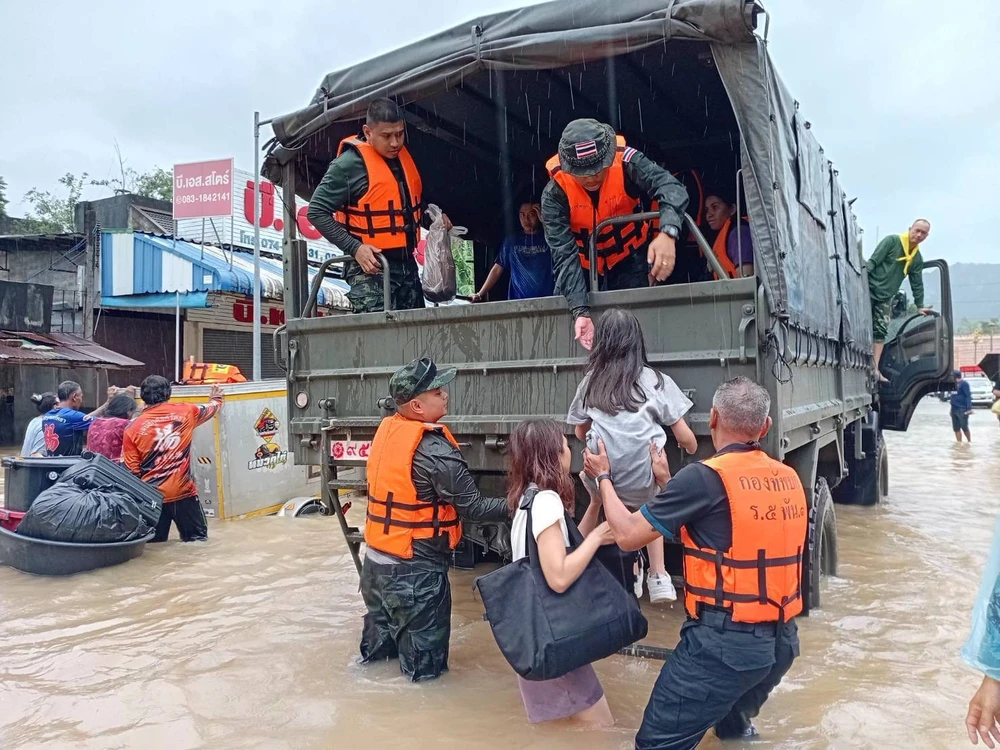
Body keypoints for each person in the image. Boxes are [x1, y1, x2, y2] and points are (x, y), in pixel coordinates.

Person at [584, 376, 806, 748]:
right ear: (765, 427)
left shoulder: (704, 478)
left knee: (655, 745)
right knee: (732, 733)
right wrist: (668, 483)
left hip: (722, 649)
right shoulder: (787, 477)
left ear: (713, 418)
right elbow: (723, 534)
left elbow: (626, 535)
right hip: (780, 645)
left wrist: (602, 476)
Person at [360, 357, 508, 682]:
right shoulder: (435, 452)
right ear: (416, 404)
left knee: (374, 662)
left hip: (374, 569)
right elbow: (476, 508)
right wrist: (526, 501)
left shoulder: (388, 432)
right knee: (424, 679)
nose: (445, 395)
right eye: (437, 390)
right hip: (416, 577)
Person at [567, 308, 697, 603]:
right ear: (637, 343)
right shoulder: (655, 380)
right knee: (652, 505)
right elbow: (685, 436)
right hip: (643, 481)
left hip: (602, 481)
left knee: (601, 467)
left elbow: (577, 433)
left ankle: (631, 566)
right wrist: (690, 449)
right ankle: (659, 574)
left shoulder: (590, 382)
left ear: (601, 344)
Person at [540, 119, 690, 349]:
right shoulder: (554, 193)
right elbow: (563, 252)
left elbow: (671, 187)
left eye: (598, 168)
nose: (591, 178)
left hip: (629, 259)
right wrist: (580, 310)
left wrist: (668, 232)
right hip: (581, 266)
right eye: (583, 173)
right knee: (570, 322)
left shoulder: (629, 162)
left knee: (636, 328)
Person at [506, 419, 615, 727]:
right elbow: (558, 576)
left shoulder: (526, 500)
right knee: (603, 731)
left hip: (535, 637)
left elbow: (559, 553)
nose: (570, 450)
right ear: (553, 454)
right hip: (556, 638)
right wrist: (598, 538)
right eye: (566, 445)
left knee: (561, 732)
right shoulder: (548, 501)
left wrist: (594, 505)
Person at [307, 97, 450, 313]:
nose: (395, 143)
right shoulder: (348, 165)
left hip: (407, 266)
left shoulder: (403, 157)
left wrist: (433, 219)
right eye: (387, 136)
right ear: (368, 131)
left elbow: (403, 210)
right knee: (379, 339)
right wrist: (355, 248)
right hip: (370, 268)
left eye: (400, 134)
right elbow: (316, 211)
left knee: (417, 335)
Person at [122, 376, 224, 543]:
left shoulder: (133, 427)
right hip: (184, 494)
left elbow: (132, 472)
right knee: (198, 544)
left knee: (154, 548)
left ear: (143, 397)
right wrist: (216, 398)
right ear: (169, 393)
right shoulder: (187, 412)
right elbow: (213, 408)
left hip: (152, 498)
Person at [868, 219, 933, 381]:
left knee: (881, 330)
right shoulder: (892, 241)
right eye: (916, 230)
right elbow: (872, 263)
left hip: (886, 297)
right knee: (861, 326)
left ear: (926, 236)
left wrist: (920, 305)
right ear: (910, 229)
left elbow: (917, 282)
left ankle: (874, 368)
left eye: (923, 233)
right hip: (867, 290)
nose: (918, 235)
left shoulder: (916, 258)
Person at [472, 203, 554, 302]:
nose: (526, 220)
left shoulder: (549, 239)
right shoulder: (512, 241)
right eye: (522, 215)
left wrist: (546, 221)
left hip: (548, 302)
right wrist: (480, 294)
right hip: (518, 303)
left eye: (531, 215)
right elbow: (497, 269)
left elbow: (563, 253)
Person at [42, 381, 115, 456]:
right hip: (70, 464)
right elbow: (106, 424)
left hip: (52, 462)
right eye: (81, 396)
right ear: (74, 397)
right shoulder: (72, 417)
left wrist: (108, 403)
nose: (81, 401)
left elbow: (82, 419)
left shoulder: (48, 416)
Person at [704, 190, 753, 278]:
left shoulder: (739, 234)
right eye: (707, 210)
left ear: (732, 209)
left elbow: (746, 281)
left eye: (715, 207)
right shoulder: (722, 236)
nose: (709, 215)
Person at [88, 391, 138, 460]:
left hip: (93, 464)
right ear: (129, 412)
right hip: (113, 467)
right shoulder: (123, 424)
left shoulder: (95, 422)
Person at [20, 392, 57, 457]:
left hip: (24, 463)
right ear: (55, 407)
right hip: (33, 465)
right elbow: (35, 455)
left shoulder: (34, 421)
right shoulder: (46, 425)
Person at [952, 369, 974, 443]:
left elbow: (968, 396)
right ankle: (959, 443)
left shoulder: (964, 384)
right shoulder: (952, 384)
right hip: (954, 408)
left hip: (962, 409)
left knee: (964, 427)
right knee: (956, 428)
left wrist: (969, 408)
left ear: (955, 377)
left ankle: (969, 441)